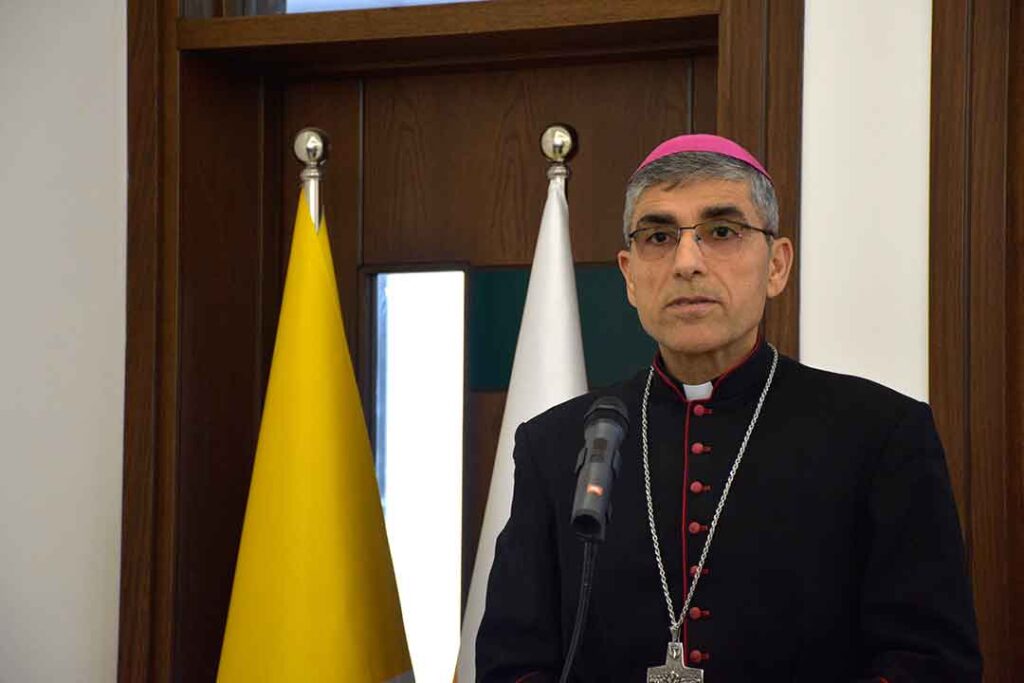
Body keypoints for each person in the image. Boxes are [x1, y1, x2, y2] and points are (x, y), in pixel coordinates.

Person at [476, 134, 981, 682]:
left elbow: (932, 664)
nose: (687, 262)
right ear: (629, 275)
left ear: (777, 265)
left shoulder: (881, 434)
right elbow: (511, 662)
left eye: (721, 231)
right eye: (659, 236)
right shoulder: (556, 443)